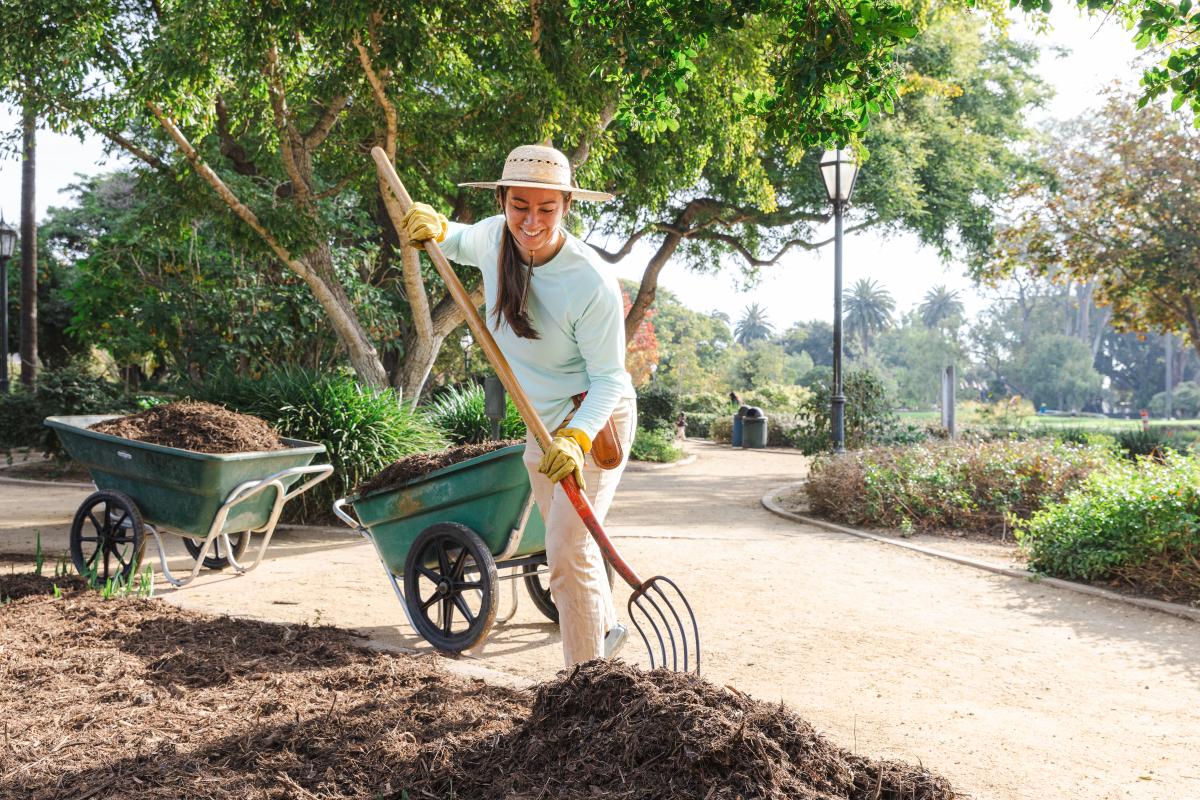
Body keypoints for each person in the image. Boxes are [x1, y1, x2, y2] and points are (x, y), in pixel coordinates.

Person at [401, 144, 637, 667]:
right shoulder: (493, 235)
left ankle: (584, 683)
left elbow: (609, 379)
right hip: (540, 422)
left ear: (567, 207)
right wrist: (437, 227)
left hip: (591, 423)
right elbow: (461, 241)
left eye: (546, 209)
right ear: (504, 200)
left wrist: (576, 439)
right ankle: (609, 627)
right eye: (520, 206)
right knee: (568, 545)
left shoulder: (590, 281)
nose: (532, 221)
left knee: (566, 552)